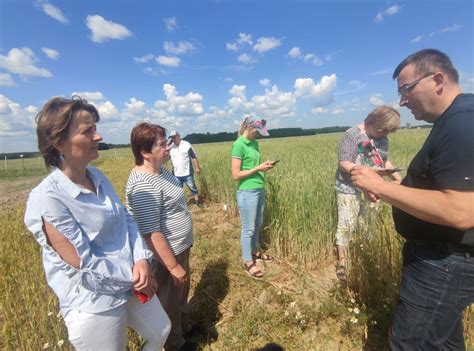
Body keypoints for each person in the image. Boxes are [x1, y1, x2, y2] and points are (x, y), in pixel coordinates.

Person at [24, 97, 171, 350]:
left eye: (95, 128)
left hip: (131, 279)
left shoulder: (98, 176)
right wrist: (138, 277)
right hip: (94, 302)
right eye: (87, 130)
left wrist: (142, 261)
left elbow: (126, 220)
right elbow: (83, 264)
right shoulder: (47, 199)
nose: (98, 136)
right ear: (58, 143)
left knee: (161, 330)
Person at [350, 49, 474, 349]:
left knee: (410, 344)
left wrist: (381, 187)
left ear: (438, 80)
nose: (403, 101)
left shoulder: (461, 124)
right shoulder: (457, 117)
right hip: (445, 258)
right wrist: (399, 183)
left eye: (406, 89)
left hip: (443, 262)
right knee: (444, 343)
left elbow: (462, 211)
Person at [126, 123, 195, 351]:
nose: (167, 147)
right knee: (168, 305)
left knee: (180, 296)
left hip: (180, 247)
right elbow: (151, 233)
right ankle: (175, 346)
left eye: (167, 141)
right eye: (161, 144)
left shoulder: (161, 170)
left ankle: (183, 330)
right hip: (166, 257)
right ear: (145, 152)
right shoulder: (143, 185)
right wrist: (173, 266)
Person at [334, 106, 401, 279]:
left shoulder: (383, 137)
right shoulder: (352, 134)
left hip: (373, 187)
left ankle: (365, 255)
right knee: (347, 223)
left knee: (369, 223)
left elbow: (384, 161)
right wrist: (366, 171)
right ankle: (343, 261)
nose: (383, 135)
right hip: (349, 187)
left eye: (387, 132)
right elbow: (344, 163)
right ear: (370, 121)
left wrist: (398, 180)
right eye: (381, 130)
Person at [231, 117, 276, 279]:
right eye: (258, 132)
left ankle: (255, 251)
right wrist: (258, 168)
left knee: (257, 224)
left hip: (259, 187)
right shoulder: (238, 145)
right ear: (249, 128)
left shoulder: (255, 143)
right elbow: (236, 175)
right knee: (248, 227)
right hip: (246, 191)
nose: (259, 136)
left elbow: (253, 167)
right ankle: (248, 260)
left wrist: (264, 166)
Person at [168, 131, 202, 205]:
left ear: (179, 136)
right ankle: (181, 204)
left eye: (174, 137)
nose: (173, 139)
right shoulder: (170, 147)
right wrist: (167, 145)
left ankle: (197, 201)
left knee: (192, 187)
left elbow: (193, 157)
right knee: (177, 190)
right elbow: (165, 157)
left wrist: (197, 167)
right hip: (176, 174)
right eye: (171, 138)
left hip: (187, 172)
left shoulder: (186, 144)